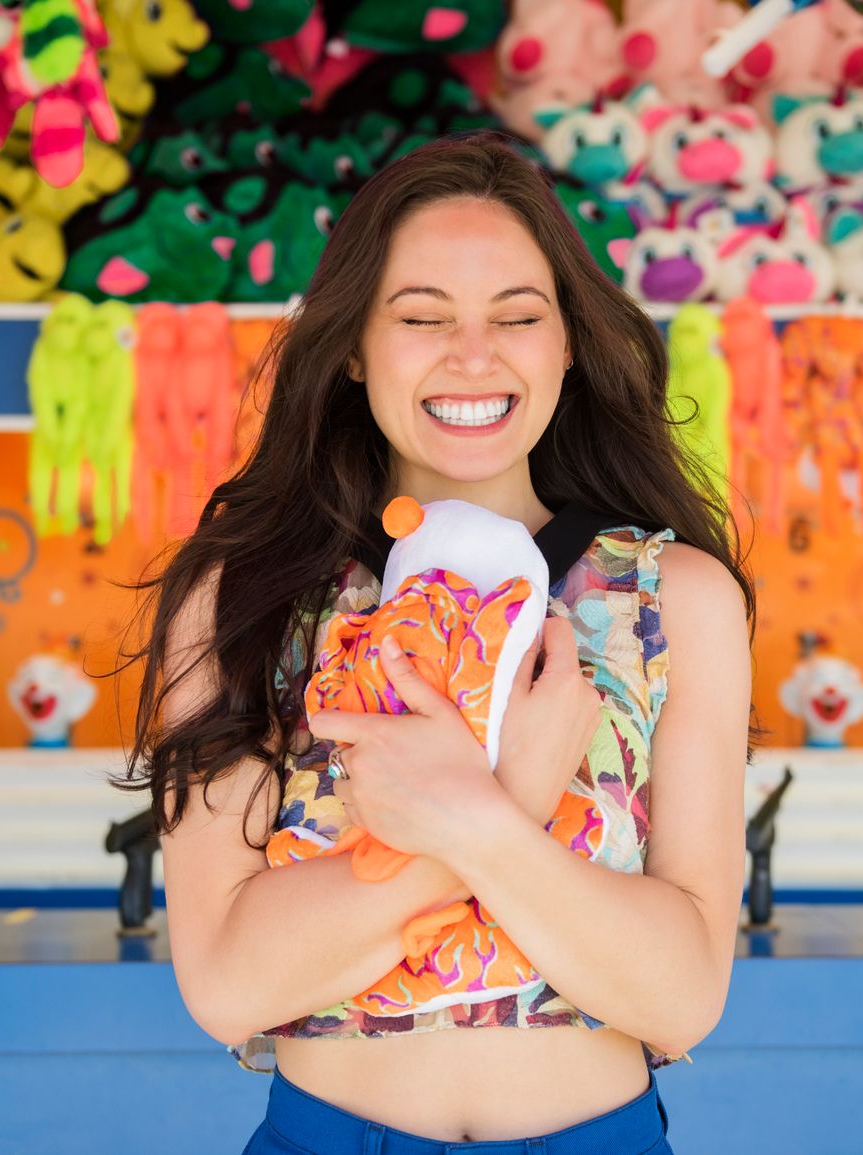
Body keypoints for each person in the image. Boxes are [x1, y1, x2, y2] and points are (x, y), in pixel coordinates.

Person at [120, 131, 756, 1154]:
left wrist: (462, 825)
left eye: (517, 316)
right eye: (421, 318)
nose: (474, 355)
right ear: (354, 346)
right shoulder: (242, 597)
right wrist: (501, 802)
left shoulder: (673, 600)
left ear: (565, 346)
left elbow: (680, 998)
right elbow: (230, 984)